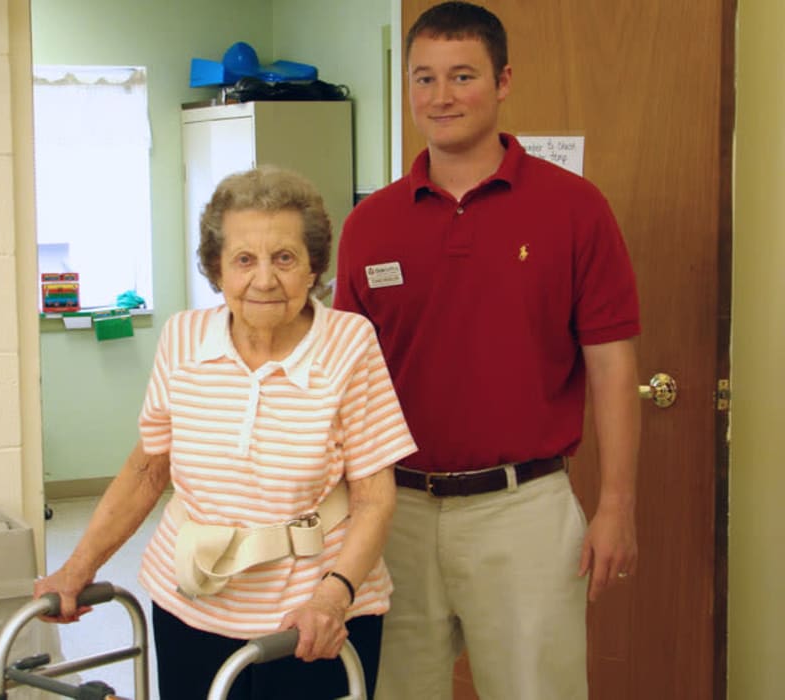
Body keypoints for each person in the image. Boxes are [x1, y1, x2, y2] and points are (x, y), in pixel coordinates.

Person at [333, 2, 641, 698]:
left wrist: (617, 505)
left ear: (503, 82)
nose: (441, 97)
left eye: (462, 76)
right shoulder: (369, 225)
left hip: (523, 510)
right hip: (393, 512)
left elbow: (614, 366)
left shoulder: (574, 208)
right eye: (424, 79)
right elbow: (344, 377)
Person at [36, 166, 417, 699]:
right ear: (216, 269)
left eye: (284, 258)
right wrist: (76, 569)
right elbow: (148, 469)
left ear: (314, 267)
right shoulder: (183, 338)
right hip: (190, 599)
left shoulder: (349, 344)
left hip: (310, 616)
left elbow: (376, 499)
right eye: (243, 260)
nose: (264, 279)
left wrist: (333, 598)